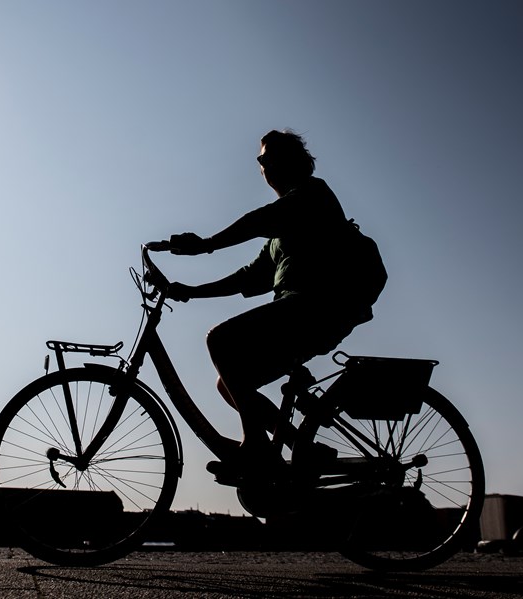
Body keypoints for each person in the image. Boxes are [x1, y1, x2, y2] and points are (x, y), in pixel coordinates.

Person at [163, 129, 385, 481]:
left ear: (291, 161)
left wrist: (206, 244)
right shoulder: (280, 239)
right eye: (260, 161)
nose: (261, 165)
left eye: (266, 158)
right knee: (230, 383)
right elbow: (246, 279)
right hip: (298, 315)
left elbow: (259, 220)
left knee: (220, 340)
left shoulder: (313, 196)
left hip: (318, 307)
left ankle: (255, 446)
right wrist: (189, 290)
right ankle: (303, 448)